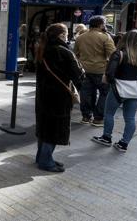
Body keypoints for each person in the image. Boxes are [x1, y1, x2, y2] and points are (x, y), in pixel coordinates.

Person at [92, 30, 137, 152]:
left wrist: (114, 83)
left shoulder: (119, 53)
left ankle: (106, 138)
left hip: (118, 90)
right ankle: (123, 144)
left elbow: (109, 74)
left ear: (126, 39)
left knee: (109, 114)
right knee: (130, 118)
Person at [35, 23, 84, 172]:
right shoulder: (63, 51)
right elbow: (78, 75)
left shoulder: (42, 49)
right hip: (59, 97)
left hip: (43, 95)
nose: (68, 36)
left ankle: (42, 157)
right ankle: (45, 161)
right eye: (66, 34)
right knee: (54, 129)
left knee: (45, 128)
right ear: (61, 35)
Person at [74, 15, 116, 126]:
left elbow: (76, 54)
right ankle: (98, 118)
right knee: (105, 93)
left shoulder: (80, 37)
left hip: (84, 70)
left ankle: (86, 117)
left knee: (86, 93)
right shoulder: (105, 37)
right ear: (101, 24)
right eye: (104, 23)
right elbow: (112, 55)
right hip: (100, 71)